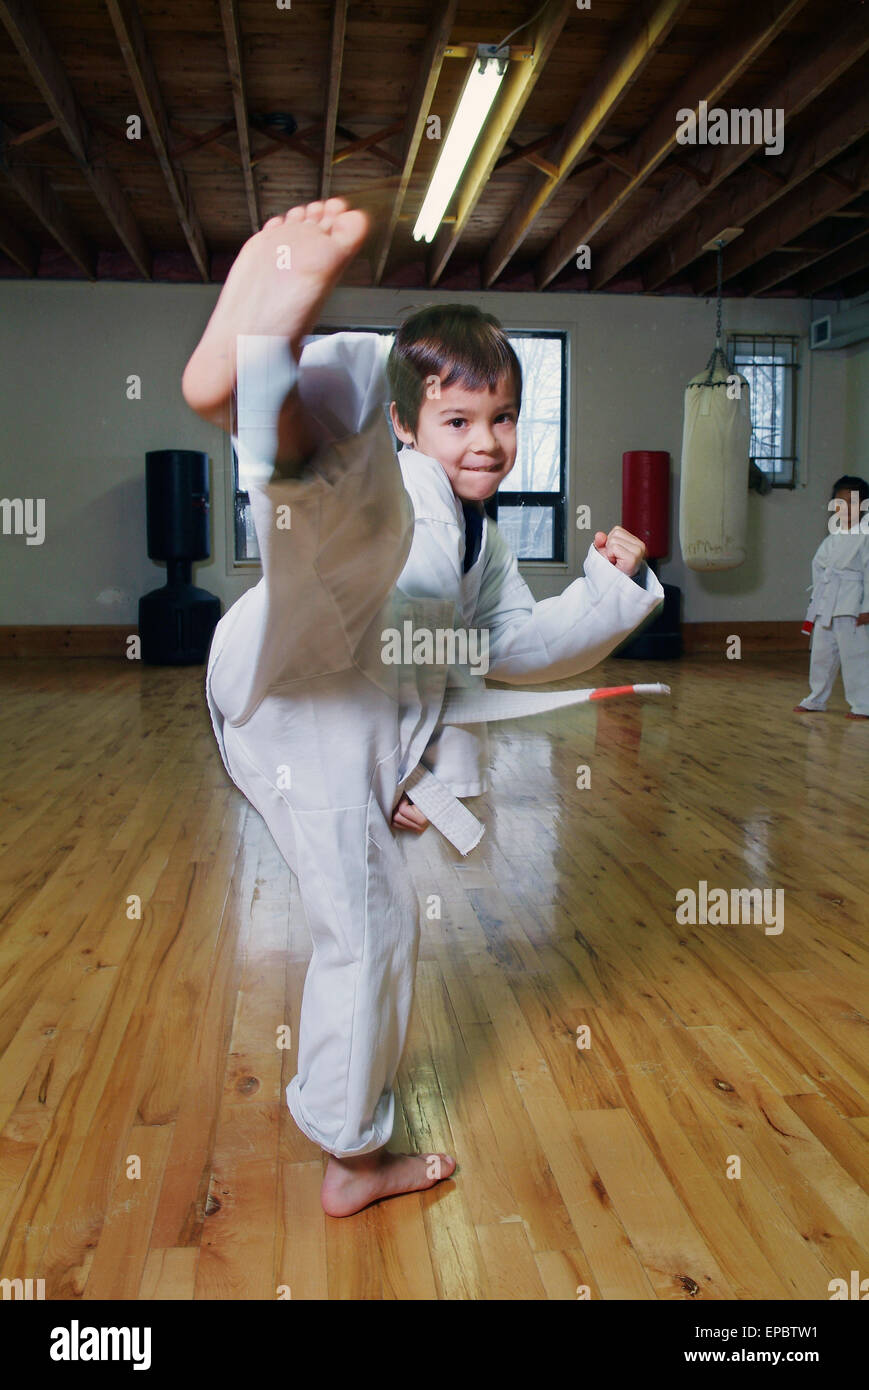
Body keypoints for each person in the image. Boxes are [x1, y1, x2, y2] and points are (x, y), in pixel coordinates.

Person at [182, 197, 664, 1217]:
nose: (484, 442)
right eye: (456, 419)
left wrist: (609, 589)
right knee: (358, 523)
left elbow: (510, 651)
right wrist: (423, 764)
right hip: (311, 685)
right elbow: (426, 635)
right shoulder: (424, 495)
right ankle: (351, 1164)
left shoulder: (479, 543)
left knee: (343, 521)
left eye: (500, 420)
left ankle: (259, 380)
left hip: (303, 694)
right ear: (413, 421)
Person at [795, 475, 869, 721]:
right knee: (822, 653)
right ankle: (816, 698)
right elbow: (819, 572)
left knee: (855, 655)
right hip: (828, 602)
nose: (845, 508)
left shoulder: (866, 535)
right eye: (840, 502)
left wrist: (866, 607)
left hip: (853, 603)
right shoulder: (832, 538)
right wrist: (816, 603)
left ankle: (863, 704)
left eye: (852, 502)